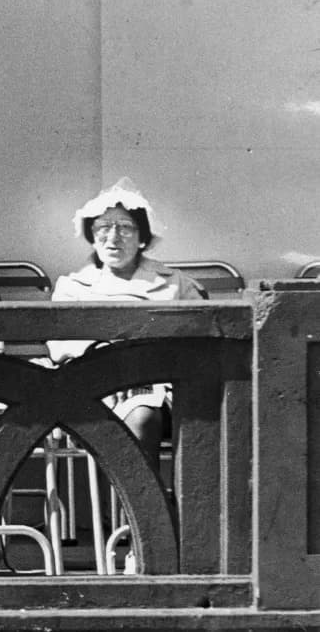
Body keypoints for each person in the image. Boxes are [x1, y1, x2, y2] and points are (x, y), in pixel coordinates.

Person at [49, 178, 205, 469]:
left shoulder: (176, 284)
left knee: (143, 414)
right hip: (95, 390)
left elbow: (199, 340)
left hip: (162, 389)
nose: (113, 238)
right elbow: (61, 344)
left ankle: (144, 513)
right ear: (92, 236)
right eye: (103, 228)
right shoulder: (72, 287)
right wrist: (109, 364)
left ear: (142, 237)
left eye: (125, 228)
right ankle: (132, 513)